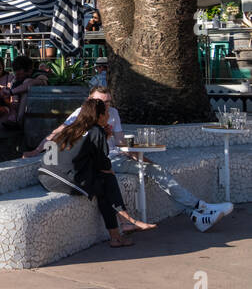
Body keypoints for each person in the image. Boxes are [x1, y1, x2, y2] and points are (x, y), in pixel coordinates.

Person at [28, 87, 233, 231]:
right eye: (101, 102)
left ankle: (197, 212)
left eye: (108, 102)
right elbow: (59, 132)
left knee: (154, 168)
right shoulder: (84, 113)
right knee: (148, 173)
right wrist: (37, 150)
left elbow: (119, 142)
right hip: (101, 162)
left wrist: (138, 155)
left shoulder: (113, 113)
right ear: (91, 102)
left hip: (114, 156)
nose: (105, 106)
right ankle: (198, 209)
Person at [36, 97, 154, 247]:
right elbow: (103, 164)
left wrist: (105, 138)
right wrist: (105, 140)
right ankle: (125, 223)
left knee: (102, 185)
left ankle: (119, 234)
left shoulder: (71, 128)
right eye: (106, 113)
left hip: (45, 176)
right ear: (98, 116)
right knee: (107, 180)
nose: (109, 117)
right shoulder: (95, 131)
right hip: (63, 180)